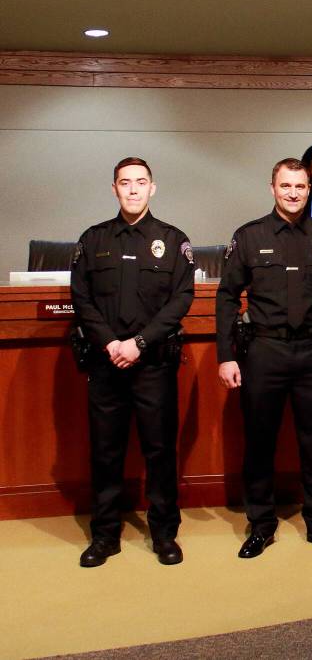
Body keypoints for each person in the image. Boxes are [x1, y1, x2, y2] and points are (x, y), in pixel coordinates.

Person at [216, 158, 312, 559]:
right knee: (260, 442)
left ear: (309, 189)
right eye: (285, 186)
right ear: (272, 187)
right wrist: (227, 357)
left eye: (300, 186)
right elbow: (227, 298)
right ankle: (260, 524)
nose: (293, 193)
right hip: (264, 351)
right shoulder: (249, 235)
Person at [70, 157, 194, 567]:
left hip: (154, 363)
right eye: (126, 183)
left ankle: (164, 533)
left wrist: (139, 342)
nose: (134, 189)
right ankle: (104, 535)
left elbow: (181, 299)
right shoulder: (93, 239)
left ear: (153, 188)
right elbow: (82, 298)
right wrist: (110, 343)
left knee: (160, 451)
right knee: (106, 452)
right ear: (114, 189)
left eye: (141, 182)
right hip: (106, 365)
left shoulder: (173, 240)